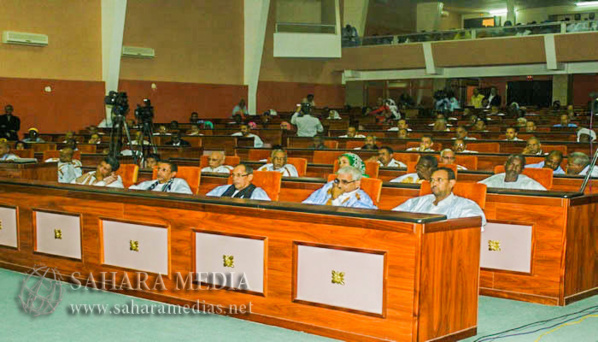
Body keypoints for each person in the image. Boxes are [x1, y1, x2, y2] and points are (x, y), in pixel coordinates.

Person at [393, 167, 486, 225]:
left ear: (451, 183)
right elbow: (393, 215)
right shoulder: (418, 201)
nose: (434, 184)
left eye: (439, 180)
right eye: (432, 180)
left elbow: (477, 224)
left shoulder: (465, 205)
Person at [303, 166, 376, 209]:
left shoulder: (362, 198)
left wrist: (335, 199)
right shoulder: (330, 186)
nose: (339, 185)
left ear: (357, 183)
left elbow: (347, 221)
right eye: (337, 181)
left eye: (344, 182)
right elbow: (307, 203)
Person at [479, 154, 546, 190]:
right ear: (505, 165)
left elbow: (545, 195)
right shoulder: (495, 179)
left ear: (522, 170)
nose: (514, 168)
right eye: (512, 164)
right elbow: (477, 187)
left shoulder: (529, 183)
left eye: (518, 166)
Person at [206, 164, 270, 200]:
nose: (234, 178)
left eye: (239, 175)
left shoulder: (257, 193)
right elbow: (206, 200)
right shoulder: (222, 189)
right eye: (233, 175)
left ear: (250, 177)